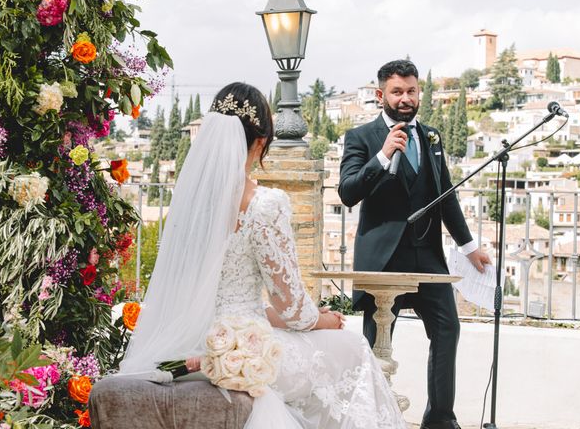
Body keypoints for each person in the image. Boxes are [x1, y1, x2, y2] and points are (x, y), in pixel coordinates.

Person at [118, 82, 406, 429]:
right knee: (354, 347)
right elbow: (291, 307)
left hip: (189, 340)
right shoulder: (264, 203)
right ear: (259, 142)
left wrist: (287, 317)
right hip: (241, 349)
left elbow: (239, 301)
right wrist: (322, 319)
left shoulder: (189, 206)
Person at [338, 60, 491, 429]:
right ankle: (370, 417)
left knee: (447, 329)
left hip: (428, 258)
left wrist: (470, 247)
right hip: (383, 259)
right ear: (381, 95)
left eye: (411, 91)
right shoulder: (362, 137)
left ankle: (439, 419)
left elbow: (447, 197)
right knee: (376, 341)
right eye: (397, 92)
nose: (405, 99)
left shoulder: (432, 137)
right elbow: (347, 192)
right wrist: (383, 154)